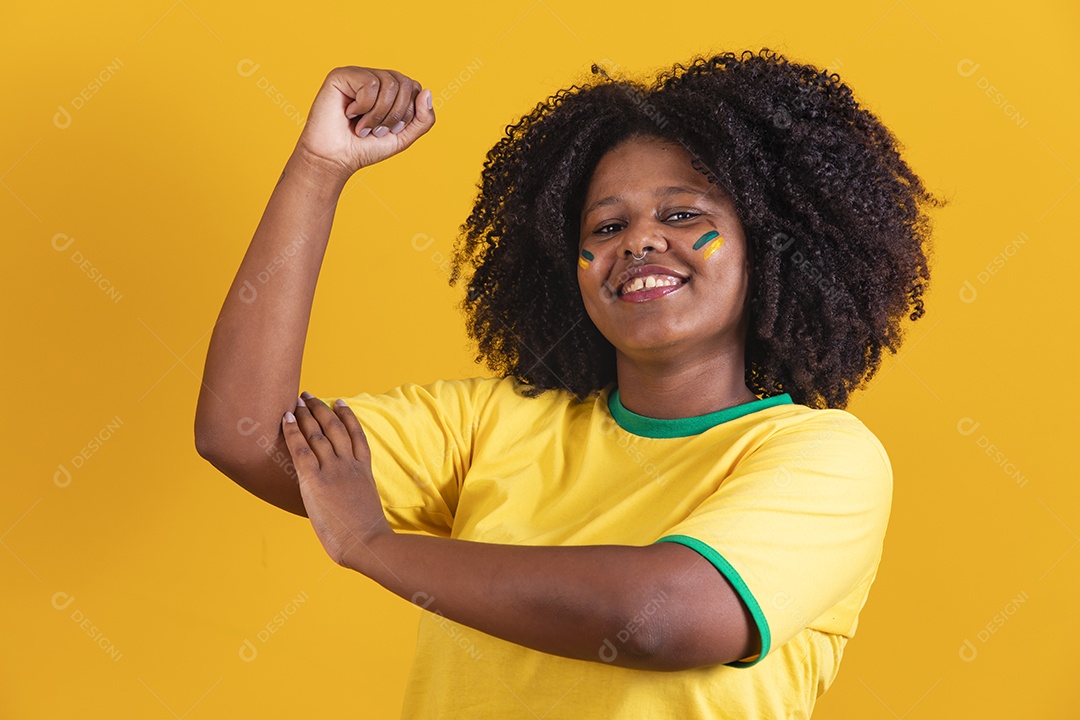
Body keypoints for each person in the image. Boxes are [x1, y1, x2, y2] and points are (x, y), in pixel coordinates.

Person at [195, 49, 938, 718]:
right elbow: (245, 435)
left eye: (683, 214)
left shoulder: (825, 457)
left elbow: (659, 618)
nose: (641, 239)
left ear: (776, 248)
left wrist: (368, 542)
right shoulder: (492, 425)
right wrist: (320, 168)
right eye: (605, 228)